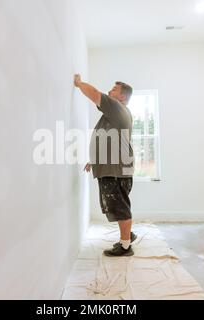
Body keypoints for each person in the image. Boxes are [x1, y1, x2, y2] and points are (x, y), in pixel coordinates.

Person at [74, 74, 136, 257]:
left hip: (116, 171)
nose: (110, 92)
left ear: (122, 97)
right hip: (115, 168)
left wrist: (78, 84)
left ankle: (125, 246)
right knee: (119, 205)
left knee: (120, 207)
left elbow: (93, 93)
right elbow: (109, 139)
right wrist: (95, 160)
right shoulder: (115, 114)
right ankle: (128, 235)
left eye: (114, 90)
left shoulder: (117, 107)